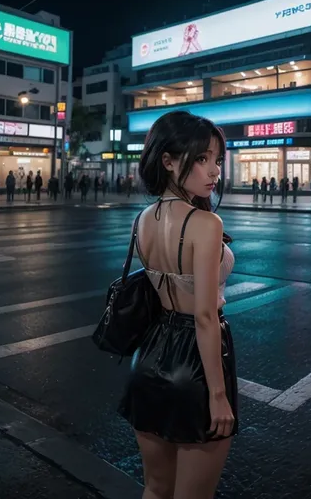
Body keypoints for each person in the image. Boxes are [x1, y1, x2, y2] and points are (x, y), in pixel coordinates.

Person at [118, 111, 237, 498]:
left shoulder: (142, 219)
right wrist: (217, 396)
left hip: (148, 357)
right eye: (201, 158)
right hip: (195, 366)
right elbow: (203, 316)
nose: (213, 170)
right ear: (167, 161)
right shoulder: (206, 225)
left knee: (155, 488)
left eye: (217, 159)